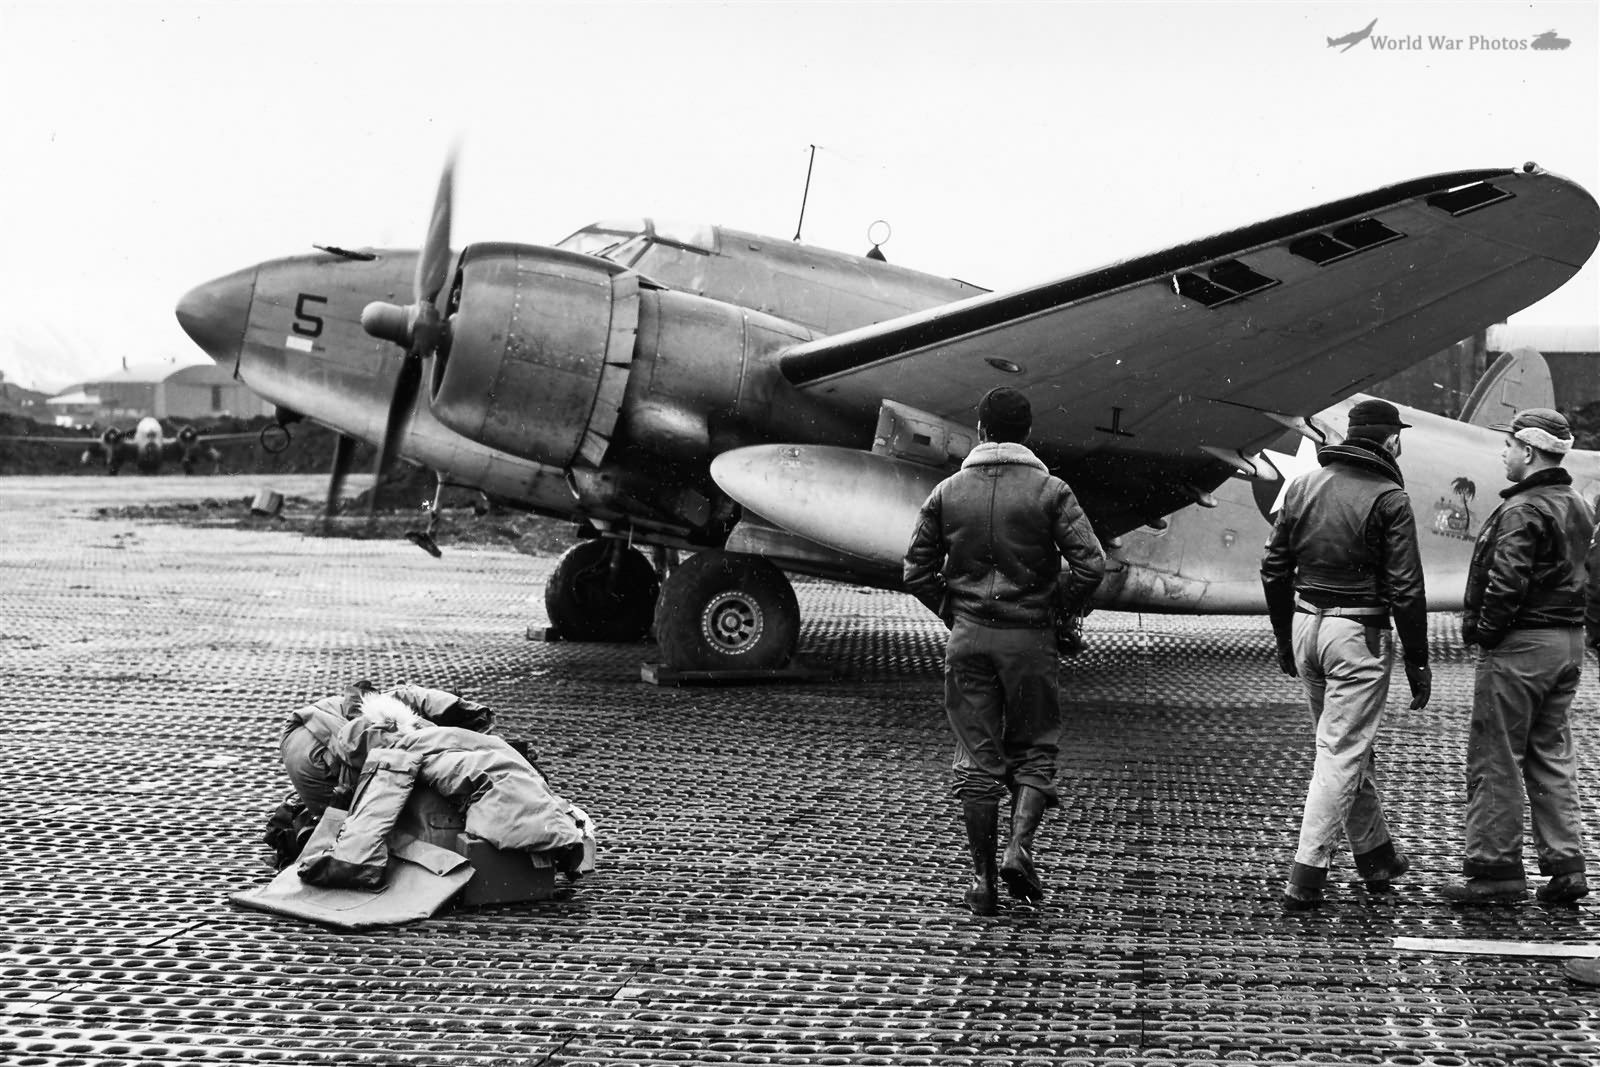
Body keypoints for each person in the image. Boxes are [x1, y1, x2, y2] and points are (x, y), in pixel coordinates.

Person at [903, 386, 1105, 916]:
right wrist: (1055, 608)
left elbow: (916, 570)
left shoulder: (946, 491)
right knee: (1035, 746)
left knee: (975, 759)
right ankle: (1019, 848)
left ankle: (982, 881)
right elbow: (1091, 565)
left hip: (969, 639)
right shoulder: (1052, 491)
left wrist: (955, 613)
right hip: (1030, 640)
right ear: (1028, 432)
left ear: (981, 429)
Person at [1261, 398, 1430, 912]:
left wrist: (1284, 637)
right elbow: (1406, 588)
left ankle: (1377, 856)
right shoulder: (1390, 498)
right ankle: (1306, 874)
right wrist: (1418, 661)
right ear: (1391, 440)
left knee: (1347, 747)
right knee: (1341, 752)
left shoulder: (1303, 486)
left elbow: (1273, 569)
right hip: (1358, 634)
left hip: (1305, 626)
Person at [1444, 408, 1592, 905]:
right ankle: (1566, 866)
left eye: (1508, 445)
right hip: (1567, 641)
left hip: (1523, 645)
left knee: (1497, 755)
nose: (1503, 454)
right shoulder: (1578, 504)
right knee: (1551, 753)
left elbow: (1506, 580)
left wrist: (1485, 634)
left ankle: (1496, 871)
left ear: (1528, 451)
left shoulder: (1523, 509)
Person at [269, 681, 494, 866]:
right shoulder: (426, 729)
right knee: (388, 802)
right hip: (321, 759)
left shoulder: (403, 700)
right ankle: (326, 837)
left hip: (300, 730)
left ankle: (319, 830)